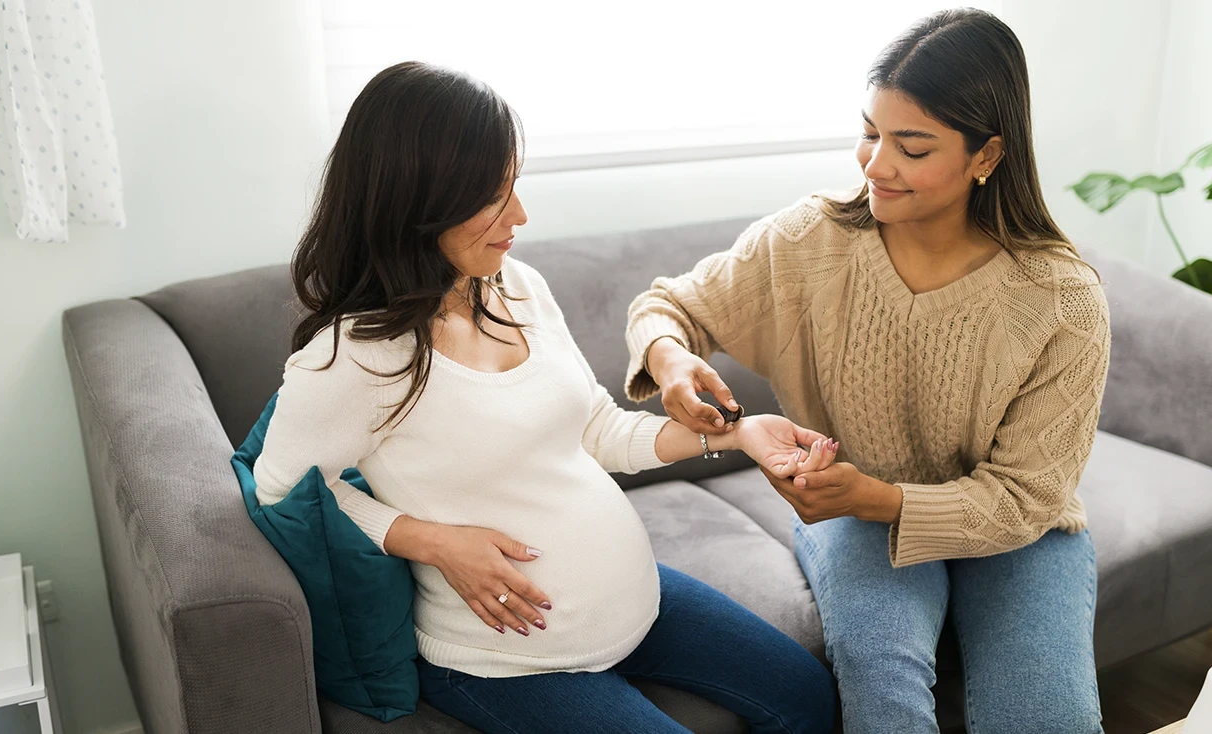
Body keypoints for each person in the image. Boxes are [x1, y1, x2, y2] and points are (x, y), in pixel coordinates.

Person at [252, 62, 836, 734]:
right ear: (417, 203)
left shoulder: (516, 285)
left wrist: (736, 433)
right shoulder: (354, 354)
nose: (520, 217)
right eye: (494, 198)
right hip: (506, 659)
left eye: (515, 187)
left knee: (810, 698)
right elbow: (283, 491)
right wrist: (434, 542)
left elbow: (595, 427)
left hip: (639, 604)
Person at [625, 9, 1109, 733]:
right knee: (886, 703)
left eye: (911, 147)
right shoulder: (811, 240)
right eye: (869, 132)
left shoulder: (1062, 300)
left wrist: (890, 499)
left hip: (1016, 529)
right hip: (851, 513)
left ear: (987, 154)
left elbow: (1026, 499)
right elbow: (668, 305)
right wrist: (670, 356)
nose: (876, 164)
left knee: (1046, 719)